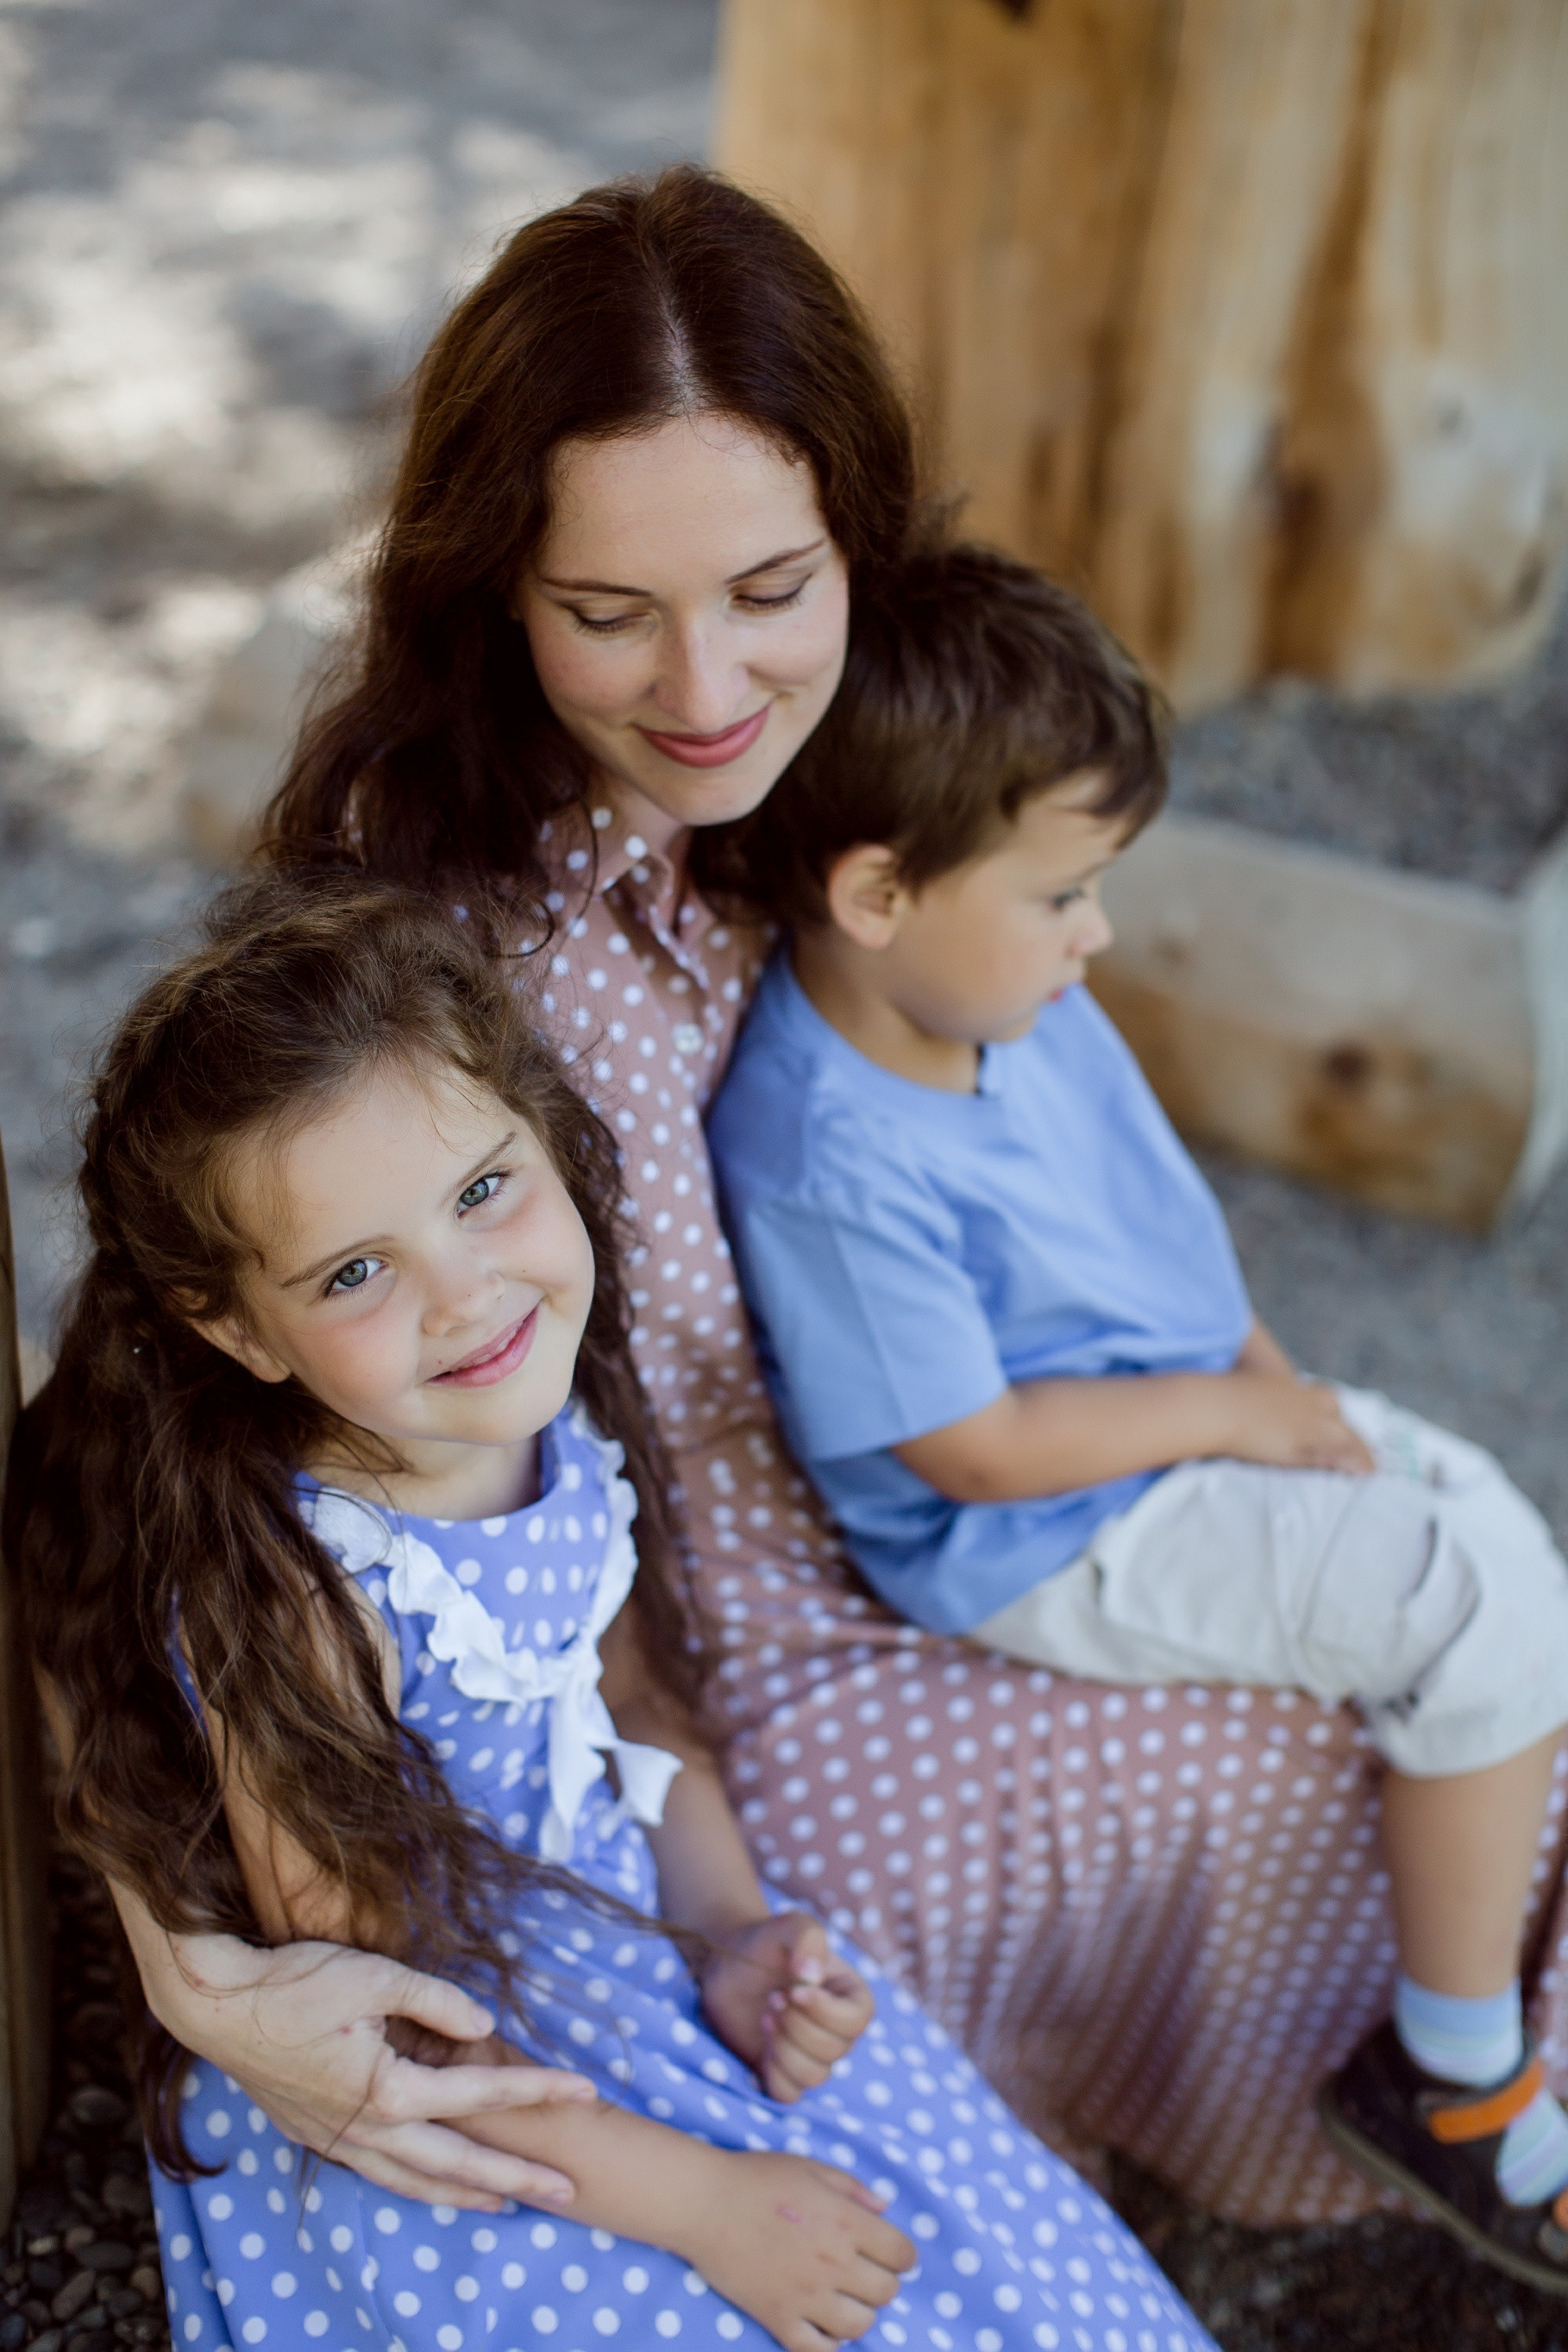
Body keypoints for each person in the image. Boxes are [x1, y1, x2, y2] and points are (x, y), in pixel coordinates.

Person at [140, 162, 1568, 2226]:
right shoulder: (428, 953)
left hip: (1036, 1471)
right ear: (491, 592)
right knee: (1419, 1698)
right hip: (775, 1677)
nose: (707, 686)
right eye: (606, 613)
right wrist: (193, 1969)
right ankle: (1413, 2114)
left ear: (856, 544)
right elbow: (171, 1440)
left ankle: (1457, 2099)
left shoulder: (877, 773)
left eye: (771, 589)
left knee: (1486, 1631)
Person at [5, 869, 1218, 2352]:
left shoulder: (554, 1416)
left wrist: (727, 1935)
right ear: (235, 1324)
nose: (465, 1296)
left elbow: (635, 1708)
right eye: (358, 1271)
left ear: (544, 1134)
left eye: (480, 1191)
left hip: (624, 1936)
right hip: (468, 2102)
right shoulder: (311, 1602)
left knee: (985, 2262)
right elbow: (385, 2025)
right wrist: (703, 2201)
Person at [702, 540, 1568, 2293]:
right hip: (1051, 1527)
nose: (1096, 934)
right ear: (875, 895)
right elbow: (971, 1451)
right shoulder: (825, 1147)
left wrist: (1260, 1379)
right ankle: (1451, 2075)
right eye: (1061, 891)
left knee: (1486, 1521)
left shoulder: (1014, 998)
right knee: (1465, 1605)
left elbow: (1160, 1229)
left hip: (1168, 1426)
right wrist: (1235, 1420)